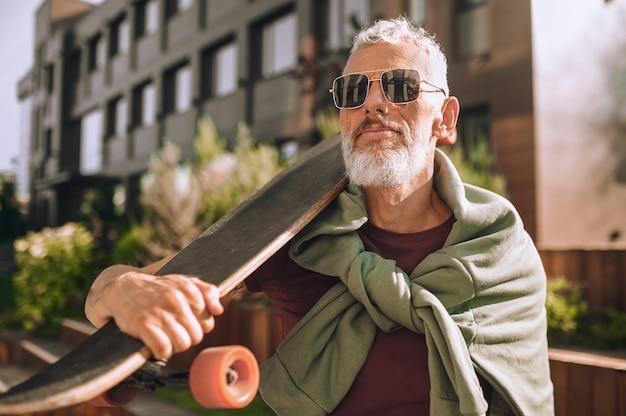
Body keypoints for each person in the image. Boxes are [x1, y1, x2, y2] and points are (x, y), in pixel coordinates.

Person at [86, 17, 554, 416]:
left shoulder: (500, 248)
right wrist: (122, 290)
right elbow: (113, 289)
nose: (373, 104)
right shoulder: (289, 235)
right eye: (353, 91)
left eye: (400, 85)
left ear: (446, 120)